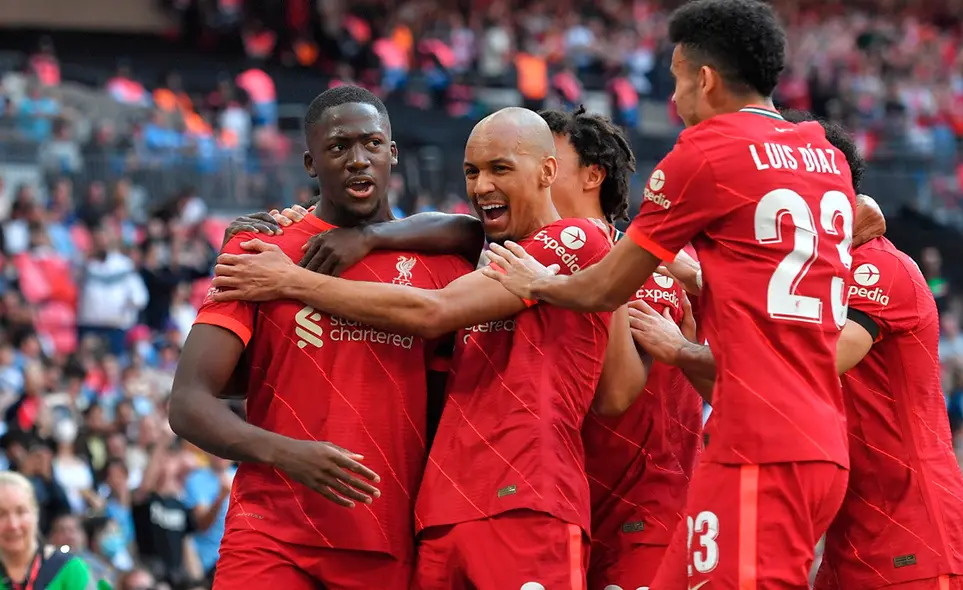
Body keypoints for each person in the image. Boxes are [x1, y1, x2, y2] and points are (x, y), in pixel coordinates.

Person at [483, 1, 856, 586]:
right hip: (816, 438)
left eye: (678, 81)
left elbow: (607, 287)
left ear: (703, 78)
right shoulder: (825, 153)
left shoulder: (708, 152)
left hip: (759, 444)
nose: (674, 101)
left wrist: (539, 283)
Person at [209, 106, 618, 589]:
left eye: (499, 169)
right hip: (438, 516)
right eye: (472, 172)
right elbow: (463, 230)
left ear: (548, 171)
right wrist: (362, 235)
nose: (482, 185)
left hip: (528, 498)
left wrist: (291, 279)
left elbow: (433, 313)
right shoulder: (476, 262)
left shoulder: (576, 237)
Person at [631, 114, 963, 589]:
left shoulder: (878, 269)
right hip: (847, 542)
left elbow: (808, 368)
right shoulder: (796, 284)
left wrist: (681, 349)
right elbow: (746, 391)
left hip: (918, 541)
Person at [168, 85, 475, 589]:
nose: (358, 160)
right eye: (338, 148)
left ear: (392, 152)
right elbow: (187, 403)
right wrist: (287, 452)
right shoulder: (263, 249)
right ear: (311, 163)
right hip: (271, 533)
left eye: (372, 144)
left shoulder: (444, 267)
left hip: (386, 539)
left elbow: (477, 231)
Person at [541, 106, 704, 589]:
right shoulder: (525, 258)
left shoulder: (655, 267)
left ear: (593, 175)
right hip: (561, 504)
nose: (537, 171)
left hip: (644, 513)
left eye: (548, 160)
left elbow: (616, 398)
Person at [0, 472, 95, 590]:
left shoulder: (70, 570)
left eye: (21, 512)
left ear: (36, 514)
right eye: (1, 514)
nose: (13, 525)